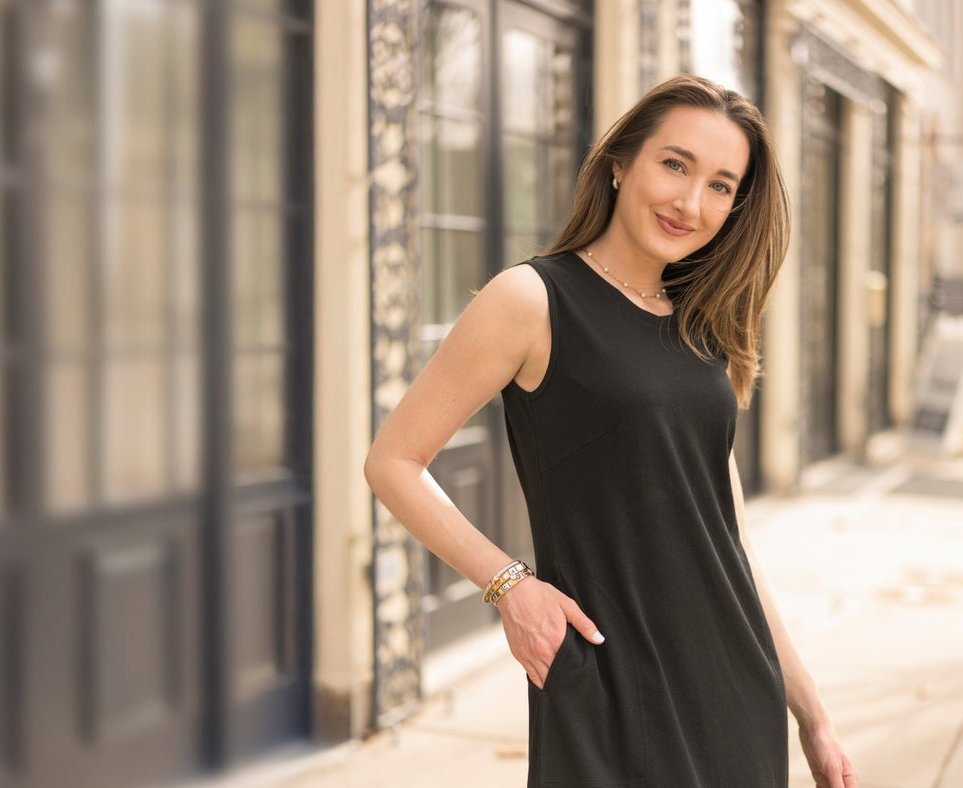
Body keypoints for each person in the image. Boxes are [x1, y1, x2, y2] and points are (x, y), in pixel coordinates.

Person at [363, 75, 858, 787]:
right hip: (609, 689)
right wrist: (510, 586)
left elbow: (731, 540)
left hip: (734, 690)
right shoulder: (531, 300)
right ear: (621, 162)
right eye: (675, 164)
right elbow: (393, 461)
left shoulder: (702, 323)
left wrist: (811, 713)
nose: (691, 203)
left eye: (721, 185)